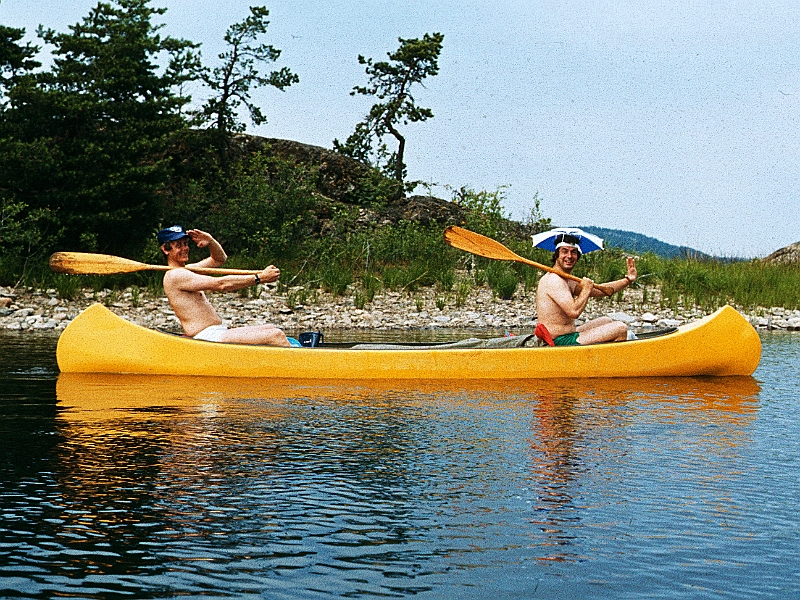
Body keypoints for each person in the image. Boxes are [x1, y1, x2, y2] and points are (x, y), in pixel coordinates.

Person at [157, 225, 295, 347]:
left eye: (185, 243)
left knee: (270, 328)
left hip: (217, 331)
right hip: (207, 337)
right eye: (178, 245)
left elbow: (219, 259)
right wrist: (259, 278)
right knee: (275, 335)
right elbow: (222, 284)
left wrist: (211, 241)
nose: (185, 248)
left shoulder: (186, 270)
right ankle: (300, 370)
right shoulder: (174, 276)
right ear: (165, 249)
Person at [535, 234, 637, 345]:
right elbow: (574, 312)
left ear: (577, 256)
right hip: (558, 341)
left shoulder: (567, 279)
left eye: (573, 252)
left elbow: (600, 291)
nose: (569, 256)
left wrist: (627, 280)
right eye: (565, 251)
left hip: (568, 334)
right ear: (557, 255)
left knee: (606, 321)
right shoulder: (554, 280)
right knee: (621, 328)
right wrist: (586, 289)